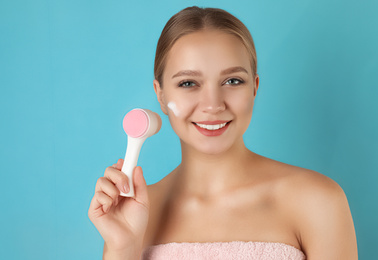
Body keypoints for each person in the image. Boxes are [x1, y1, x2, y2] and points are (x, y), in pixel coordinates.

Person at [88, 6, 358, 260]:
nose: (213, 105)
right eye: (188, 83)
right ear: (160, 95)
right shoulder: (132, 214)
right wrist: (122, 249)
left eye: (232, 81)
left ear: (254, 87)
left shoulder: (318, 202)